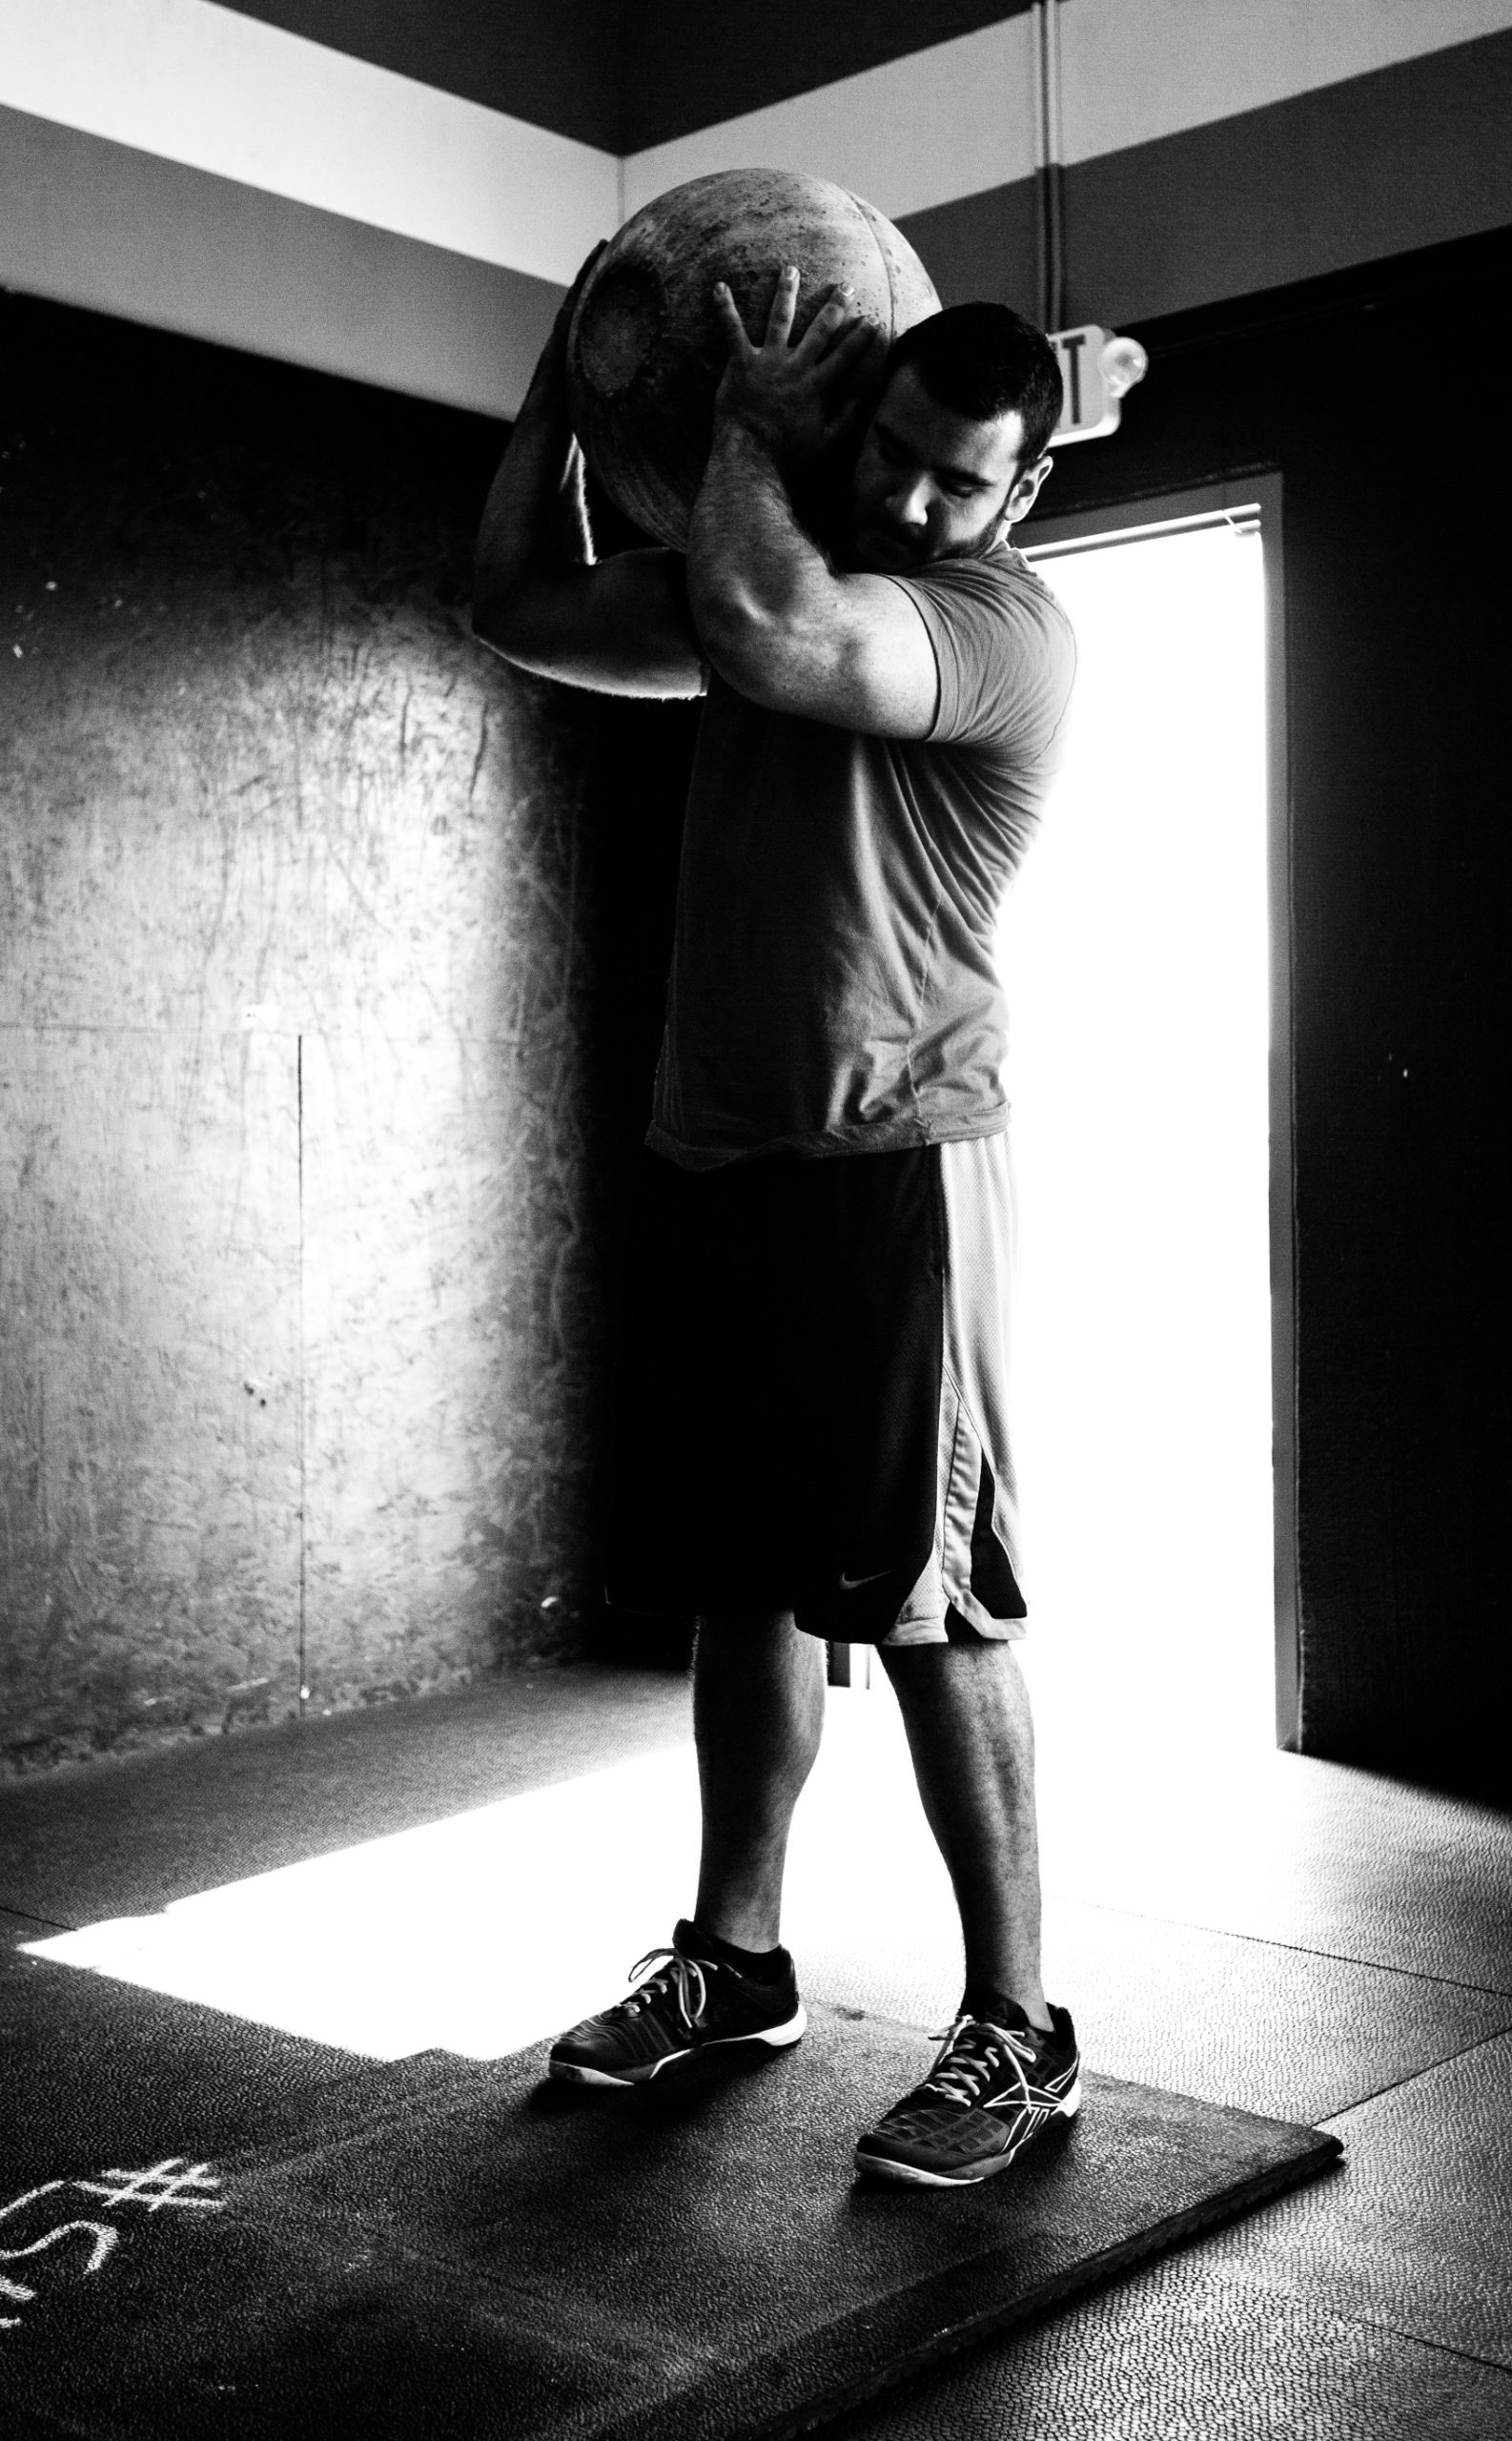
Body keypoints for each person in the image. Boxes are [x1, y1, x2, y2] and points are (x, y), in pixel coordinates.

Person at [473, 257, 1078, 2187]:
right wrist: (570, 385)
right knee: (744, 1581)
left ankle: (1019, 2024)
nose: (911, 499)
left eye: (957, 480)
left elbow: (783, 621)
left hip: (898, 1155)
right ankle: (734, 1958)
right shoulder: (760, 596)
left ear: (1016, 504)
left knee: (932, 1600)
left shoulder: (994, 629)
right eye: (888, 454)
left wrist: (741, 429)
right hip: (725, 1151)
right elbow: (514, 606)